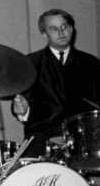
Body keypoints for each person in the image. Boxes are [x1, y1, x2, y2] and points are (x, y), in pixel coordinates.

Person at [12, 9, 100, 158]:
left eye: (64, 27)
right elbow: (22, 105)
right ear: (44, 35)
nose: (61, 32)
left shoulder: (90, 63)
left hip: (80, 141)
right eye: (53, 28)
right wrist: (23, 111)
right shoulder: (30, 63)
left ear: (71, 29)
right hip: (41, 139)